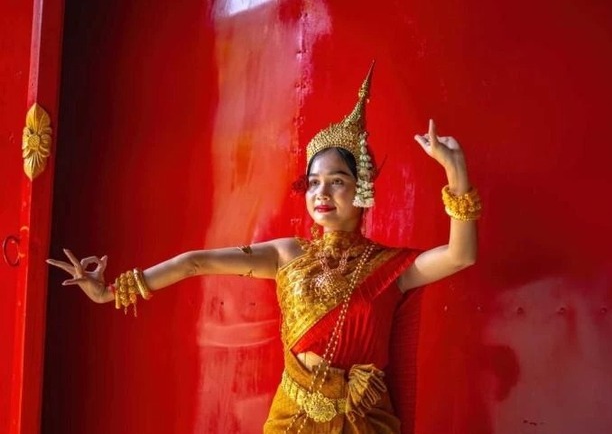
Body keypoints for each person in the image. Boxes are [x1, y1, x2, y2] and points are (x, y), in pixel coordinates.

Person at [47, 63, 481, 433]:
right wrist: (111, 291)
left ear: (362, 189)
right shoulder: (288, 255)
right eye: (313, 182)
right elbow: (195, 263)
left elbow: (460, 255)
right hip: (293, 417)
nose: (321, 192)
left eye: (337, 181)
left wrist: (456, 172)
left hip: (361, 422)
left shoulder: (387, 267)